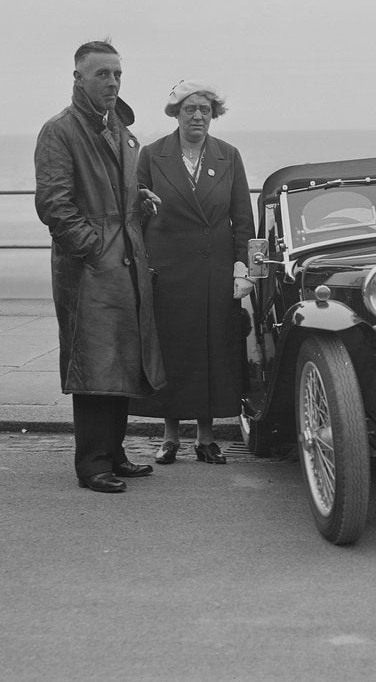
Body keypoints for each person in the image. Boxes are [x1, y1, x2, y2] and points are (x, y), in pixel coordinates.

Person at [35, 40, 166, 493]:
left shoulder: (120, 129)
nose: (112, 82)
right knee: (95, 364)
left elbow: (114, 195)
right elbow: (54, 203)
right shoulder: (61, 130)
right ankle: (92, 464)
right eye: (102, 74)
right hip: (91, 267)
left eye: (117, 74)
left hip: (125, 260)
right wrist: (92, 249)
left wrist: (139, 203)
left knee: (123, 360)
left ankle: (114, 452)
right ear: (78, 78)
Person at [130, 80, 256, 465]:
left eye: (205, 109)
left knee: (210, 350)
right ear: (176, 113)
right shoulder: (152, 155)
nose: (198, 115)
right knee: (171, 350)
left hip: (213, 269)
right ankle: (169, 437)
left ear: (213, 115)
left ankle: (206, 437)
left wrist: (242, 267)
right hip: (167, 269)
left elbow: (242, 219)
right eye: (189, 109)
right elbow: (134, 211)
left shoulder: (228, 155)